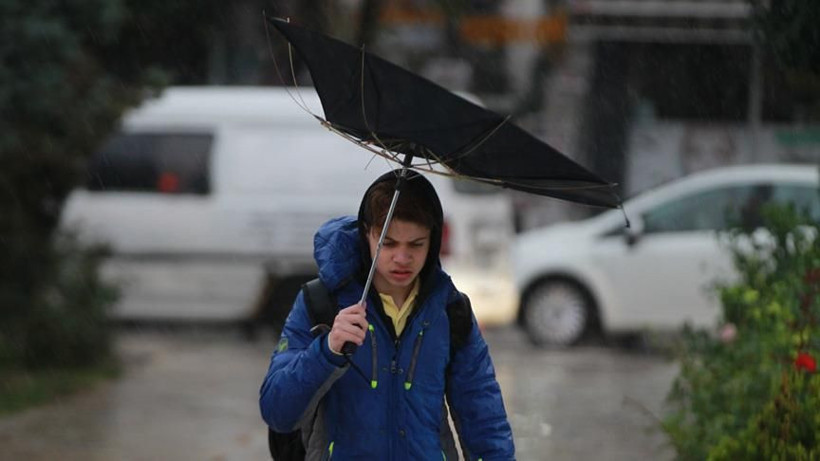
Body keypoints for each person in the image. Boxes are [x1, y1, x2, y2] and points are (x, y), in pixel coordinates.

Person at [259, 169, 515, 460]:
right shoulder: (320, 303)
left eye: (416, 244)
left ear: (433, 242)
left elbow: (485, 422)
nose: (402, 258)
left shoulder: (451, 311)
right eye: (389, 243)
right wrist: (326, 352)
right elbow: (277, 413)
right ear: (367, 234)